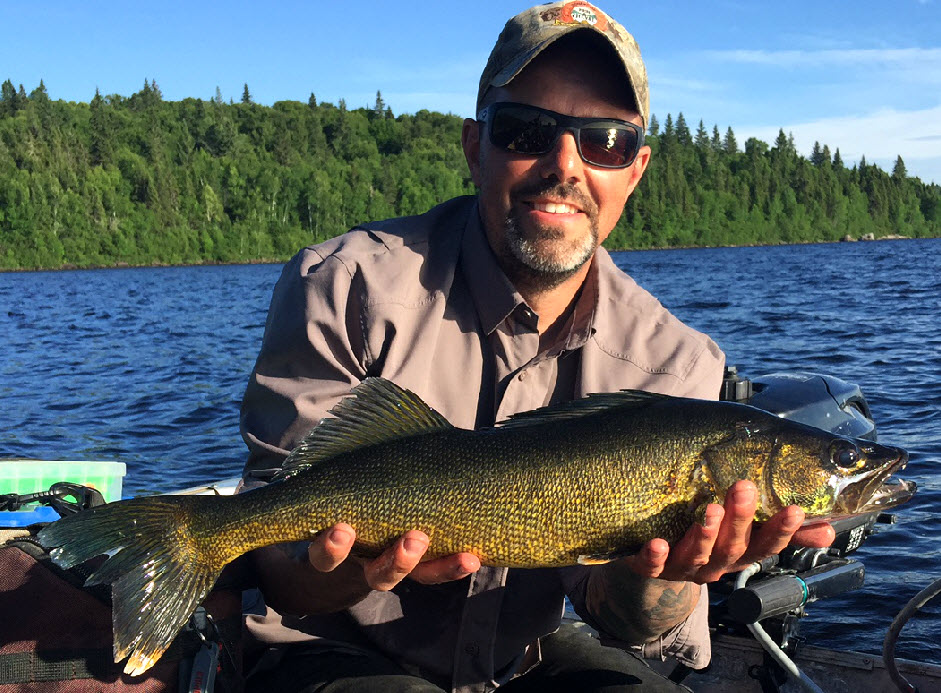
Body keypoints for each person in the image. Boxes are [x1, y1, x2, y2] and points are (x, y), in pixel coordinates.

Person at [238, 2, 835, 691]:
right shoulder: (346, 285)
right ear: (473, 147)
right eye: (526, 129)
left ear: (634, 170)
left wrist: (664, 575)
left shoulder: (676, 362)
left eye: (603, 140)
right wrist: (345, 560)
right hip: (326, 648)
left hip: (520, 656)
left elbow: (627, 621)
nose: (563, 164)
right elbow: (276, 566)